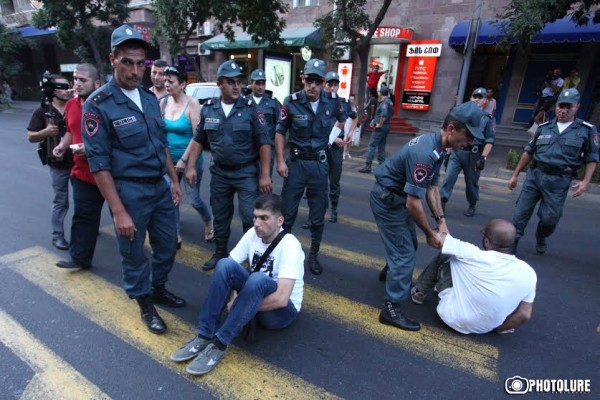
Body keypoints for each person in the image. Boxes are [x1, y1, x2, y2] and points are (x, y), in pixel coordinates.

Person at [82, 24, 185, 334]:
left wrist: (175, 179)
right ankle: (145, 304)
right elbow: (99, 165)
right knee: (135, 254)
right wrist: (118, 210)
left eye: (141, 63)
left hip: (159, 186)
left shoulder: (150, 98)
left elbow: (161, 143)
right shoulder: (98, 105)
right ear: (113, 59)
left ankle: (158, 288)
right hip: (129, 193)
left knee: (167, 246)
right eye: (128, 62)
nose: (136, 69)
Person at [370, 101, 487, 331]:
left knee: (406, 245)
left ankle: (392, 272)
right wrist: (430, 233)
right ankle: (391, 309)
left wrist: (441, 221)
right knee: (404, 254)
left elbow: (432, 187)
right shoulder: (425, 153)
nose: (471, 142)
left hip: (395, 197)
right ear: (452, 128)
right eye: (469, 135)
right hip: (388, 200)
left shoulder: (440, 148)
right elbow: (413, 203)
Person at [170, 193, 304, 376]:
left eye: (264, 218)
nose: (257, 223)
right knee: (224, 265)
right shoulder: (252, 234)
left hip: (281, 313)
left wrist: (240, 305)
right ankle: (204, 334)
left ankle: (219, 344)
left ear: (280, 220)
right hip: (254, 294)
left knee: (258, 278)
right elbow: (231, 267)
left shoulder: (290, 246)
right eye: (255, 217)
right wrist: (235, 297)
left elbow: (281, 299)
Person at [184, 60, 272, 272]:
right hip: (221, 173)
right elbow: (198, 139)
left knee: (249, 217)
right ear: (219, 84)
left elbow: (264, 142)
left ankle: (253, 259)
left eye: (239, 82)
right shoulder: (210, 109)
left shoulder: (252, 109)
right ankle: (220, 253)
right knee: (221, 216)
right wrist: (191, 166)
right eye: (230, 82)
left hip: (246, 173)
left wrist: (265, 175)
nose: (236, 86)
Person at [275, 59, 347, 275]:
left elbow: (345, 119)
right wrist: (279, 160)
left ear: (323, 82)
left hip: (319, 165)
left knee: (317, 214)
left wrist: (332, 138)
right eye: (309, 80)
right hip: (296, 164)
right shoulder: (291, 101)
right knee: (287, 213)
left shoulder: (333, 101)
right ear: (303, 79)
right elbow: (280, 132)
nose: (312, 86)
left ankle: (313, 255)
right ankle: (282, 255)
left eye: (317, 81)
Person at [508, 88, 599, 254]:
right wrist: (515, 175)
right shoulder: (543, 127)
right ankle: (513, 243)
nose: (563, 110)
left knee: (550, 218)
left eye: (568, 107)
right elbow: (529, 151)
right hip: (535, 175)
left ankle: (541, 235)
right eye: (560, 106)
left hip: (559, 180)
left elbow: (592, 157)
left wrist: (585, 181)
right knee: (520, 213)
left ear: (577, 107)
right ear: (556, 106)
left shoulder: (586, 130)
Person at [411, 219, 537, 335]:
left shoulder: (471, 254)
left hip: (450, 316)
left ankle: (419, 292)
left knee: (446, 255)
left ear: (487, 242)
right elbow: (524, 314)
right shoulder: (529, 272)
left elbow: (439, 239)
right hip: (485, 328)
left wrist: (440, 222)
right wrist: (500, 328)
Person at [52, 64, 103, 270]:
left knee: (126, 217)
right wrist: (62, 146)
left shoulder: (106, 105)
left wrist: (89, 149)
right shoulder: (72, 105)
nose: (77, 84)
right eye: (75, 79)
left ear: (97, 84)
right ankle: (80, 258)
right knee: (83, 216)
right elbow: (71, 130)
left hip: (110, 173)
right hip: (82, 173)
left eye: (83, 80)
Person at [161, 65, 214, 246]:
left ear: (182, 84)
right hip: (169, 162)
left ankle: (208, 220)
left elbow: (197, 136)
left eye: (171, 81)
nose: (166, 84)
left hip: (191, 160)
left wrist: (185, 160)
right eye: (165, 80)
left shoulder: (192, 103)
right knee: (172, 196)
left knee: (193, 199)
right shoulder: (163, 103)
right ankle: (175, 234)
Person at [27, 74, 73, 251]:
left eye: (68, 86)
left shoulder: (74, 107)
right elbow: (31, 136)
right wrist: (45, 132)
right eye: (63, 87)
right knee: (61, 200)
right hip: (58, 163)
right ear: (53, 90)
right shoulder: (42, 111)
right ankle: (58, 236)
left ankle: (86, 228)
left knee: (85, 199)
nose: (67, 90)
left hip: (77, 160)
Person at [440, 87, 495, 217]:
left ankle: (472, 203)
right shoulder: (462, 114)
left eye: (480, 97)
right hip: (457, 152)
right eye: (474, 96)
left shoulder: (487, 119)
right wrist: (448, 153)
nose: (476, 99)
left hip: (474, 155)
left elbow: (490, 140)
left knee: (471, 182)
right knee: (448, 178)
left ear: (486, 101)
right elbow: (452, 135)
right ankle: (442, 202)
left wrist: (483, 158)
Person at [324, 71, 357, 223]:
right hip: (321, 147)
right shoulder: (319, 103)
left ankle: (334, 210)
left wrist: (350, 133)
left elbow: (354, 118)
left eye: (335, 85)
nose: (332, 87)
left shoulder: (342, 103)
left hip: (336, 149)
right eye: (329, 84)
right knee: (319, 182)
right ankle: (317, 214)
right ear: (325, 85)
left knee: (334, 181)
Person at [249, 68, 281, 176]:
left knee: (266, 181)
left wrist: (277, 151)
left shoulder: (273, 103)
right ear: (251, 83)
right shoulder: (244, 102)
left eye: (263, 83)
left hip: (268, 148)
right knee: (248, 182)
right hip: (249, 149)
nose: (260, 87)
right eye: (257, 83)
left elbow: (280, 128)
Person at [358, 86, 394, 173]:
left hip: (381, 128)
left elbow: (384, 114)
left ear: (381, 93)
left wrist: (379, 125)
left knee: (372, 146)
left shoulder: (385, 103)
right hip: (386, 126)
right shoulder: (390, 102)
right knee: (381, 146)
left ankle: (368, 166)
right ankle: (382, 166)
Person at [343, 93, 358, 159]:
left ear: (354, 100)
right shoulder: (346, 106)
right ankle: (343, 152)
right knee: (346, 139)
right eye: (350, 99)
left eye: (353, 99)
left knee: (351, 140)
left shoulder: (356, 107)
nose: (351, 101)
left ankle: (347, 152)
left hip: (353, 125)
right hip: (347, 124)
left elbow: (356, 116)